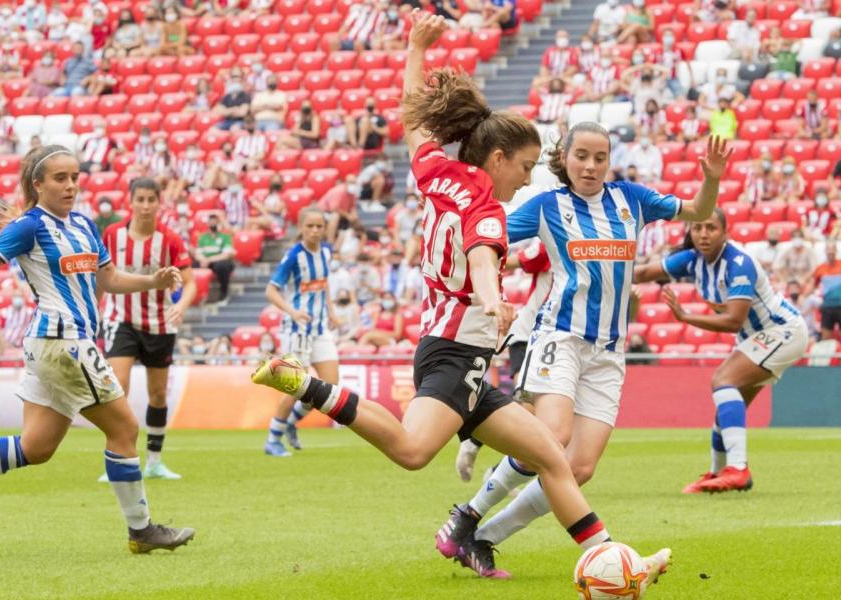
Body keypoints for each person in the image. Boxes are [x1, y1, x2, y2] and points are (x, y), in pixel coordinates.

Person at [252, 11, 669, 581]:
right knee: (411, 450)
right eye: (523, 168)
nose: (526, 179)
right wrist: (495, 297)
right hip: (453, 352)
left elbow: (411, 121)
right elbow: (480, 250)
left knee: (551, 456)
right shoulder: (485, 207)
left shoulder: (438, 173)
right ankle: (306, 384)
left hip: (464, 360)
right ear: (497, 159)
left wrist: (415, 49)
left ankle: (614, 561)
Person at [436, 123, 729, 576]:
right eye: (582, 157)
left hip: (609, 352)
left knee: (581, 467)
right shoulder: (548, 205)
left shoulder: (632, 198)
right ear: (565, 159)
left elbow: (698, 211)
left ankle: (479, 537)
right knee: (551, 441)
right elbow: (488, 236)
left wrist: (710, 178)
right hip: (561, 337)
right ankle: (468, 515)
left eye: (599, 157)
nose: (591, 166)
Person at [0, 146, 195, 553]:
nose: (70, 186)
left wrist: (153, 282)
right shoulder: (30, 226)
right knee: (125, 430)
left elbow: (110, 279)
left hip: (52, 347)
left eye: (74, 177)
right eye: (60, 178)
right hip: (65, 344)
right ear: (38, 184)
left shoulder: (84, 224)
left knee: (36, 447)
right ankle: (141, 529)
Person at [634, 209, 809, 493]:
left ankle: (738, 469)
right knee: (727, 407)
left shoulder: (738, 263)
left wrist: (685, 317)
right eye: (698, 228)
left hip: (782, 331)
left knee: (723, 381)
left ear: (725, 233)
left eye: (711, 228)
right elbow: (642, 272)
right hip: (757, 337)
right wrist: (605, 275)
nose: (703, 234)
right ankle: (717, 473)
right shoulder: (693, 260)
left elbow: (733, 321)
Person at [99, 178, 197, 479]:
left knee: (157, 394)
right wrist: (92, 311)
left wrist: (180, 306)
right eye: (139, 199)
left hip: (158, 323)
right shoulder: (112, 235)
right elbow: (102, 279)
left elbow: (190, 283)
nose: (145, 205)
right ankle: (118, 458)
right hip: (120, 320)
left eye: (150, 199)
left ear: (159, 202)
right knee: (118, 385)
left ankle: (154, 461)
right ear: (130, 201)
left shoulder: (169, 240)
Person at [261, 208, 339, 457]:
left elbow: (324, 285)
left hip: (320, 327)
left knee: (330, 386)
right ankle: (273, 439)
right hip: (296, 330)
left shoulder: (326, 251)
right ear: (301, 228)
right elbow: (271, 291)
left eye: (319, 226)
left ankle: (291, 424)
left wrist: (332, 312)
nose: (315, 231)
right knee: (296, 387)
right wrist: (292, 311)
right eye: (310, 226)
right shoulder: (294, 256)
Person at [193, 213, 235, 302]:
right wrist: (203, 260)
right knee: (194, 265)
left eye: (215, 222)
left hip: (218, 261)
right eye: (211, 222)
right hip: (205, 261)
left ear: (218, 223)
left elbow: (227, 254)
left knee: (222, 266)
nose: (213, 224)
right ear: (208, 223)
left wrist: (209, 259)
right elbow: (198, 254)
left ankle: (224, 292)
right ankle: (196, 294)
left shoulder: (224, 237)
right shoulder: (203, 237)